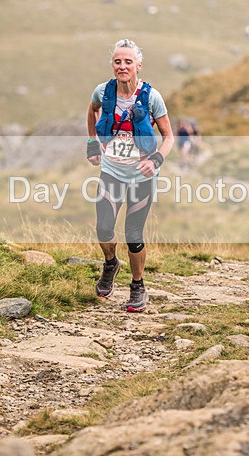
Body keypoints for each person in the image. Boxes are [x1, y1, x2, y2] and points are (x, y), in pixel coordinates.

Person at [86, 39, 174, 312]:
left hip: (140, 176)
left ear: (138, 65)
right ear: (112, 64)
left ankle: (138, 286)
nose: (122, 66)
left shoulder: (151, 97)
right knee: (103, 228)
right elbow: (92, 112)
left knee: (133, 234)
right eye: (117, 61)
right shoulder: (103, 91)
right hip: (111, 170)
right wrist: (92, 143)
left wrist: (157, 159)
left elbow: (169, 136)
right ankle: (111, 264)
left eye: (127, 62)